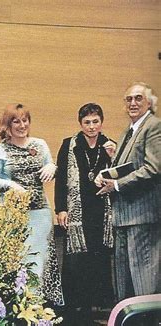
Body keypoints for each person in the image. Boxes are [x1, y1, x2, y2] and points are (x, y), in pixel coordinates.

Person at [0, 103, 63, 305]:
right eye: (16, 121)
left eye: (25, 120)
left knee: (38, 262)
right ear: (7, 124)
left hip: (39, 212)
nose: (22, 125)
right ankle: (15, 307)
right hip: (12, 213)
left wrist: (51, 166)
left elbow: (51, 166)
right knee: (15, 261)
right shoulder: (0, 149)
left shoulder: (39, 144)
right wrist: (11, 185)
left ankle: (35, 308)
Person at [96, 82, 160, 304]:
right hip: (122, 217)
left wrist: (116, 185)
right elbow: (127, 167)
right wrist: (106, 176)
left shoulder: (154, 126)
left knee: (144, 285)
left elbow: (153, 168)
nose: (133, 103)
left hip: (142, 217)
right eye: (129, 99)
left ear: (150, 103)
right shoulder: (127, 131)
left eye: (138, 98)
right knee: (125, 287)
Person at [55, 103, 115, 325]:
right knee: (76, 261)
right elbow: (61, 179)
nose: (91, 126)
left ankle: (93, 309)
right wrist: (60, 208)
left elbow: (118, 175)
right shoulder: (69, 145)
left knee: (97, 260)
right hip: (77, 212)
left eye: (95, 121)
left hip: (101, 211)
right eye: (87, 122)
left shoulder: (109, 145)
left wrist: (113, 157)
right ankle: (73, 309)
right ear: (80, 124)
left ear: (101, 122)